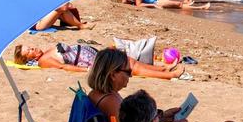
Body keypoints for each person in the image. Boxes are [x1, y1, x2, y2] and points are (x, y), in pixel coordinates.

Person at [85, 48, 188, 122]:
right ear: (113, 75)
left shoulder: (103, 94)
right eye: (128, 72)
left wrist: (163, 116)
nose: (130, 76)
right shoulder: (110, 101)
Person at [12, 43, 183, 78]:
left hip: (93, 55)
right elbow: (64, 67)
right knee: (130, 67)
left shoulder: (46, 52)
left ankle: (163, 69)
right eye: (30, 51)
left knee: (128, 60)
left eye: (31, 47)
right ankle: (168, 75)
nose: (34, 49)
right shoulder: (44, 61)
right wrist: (88, 70)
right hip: (91, 63)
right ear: (29, 59)